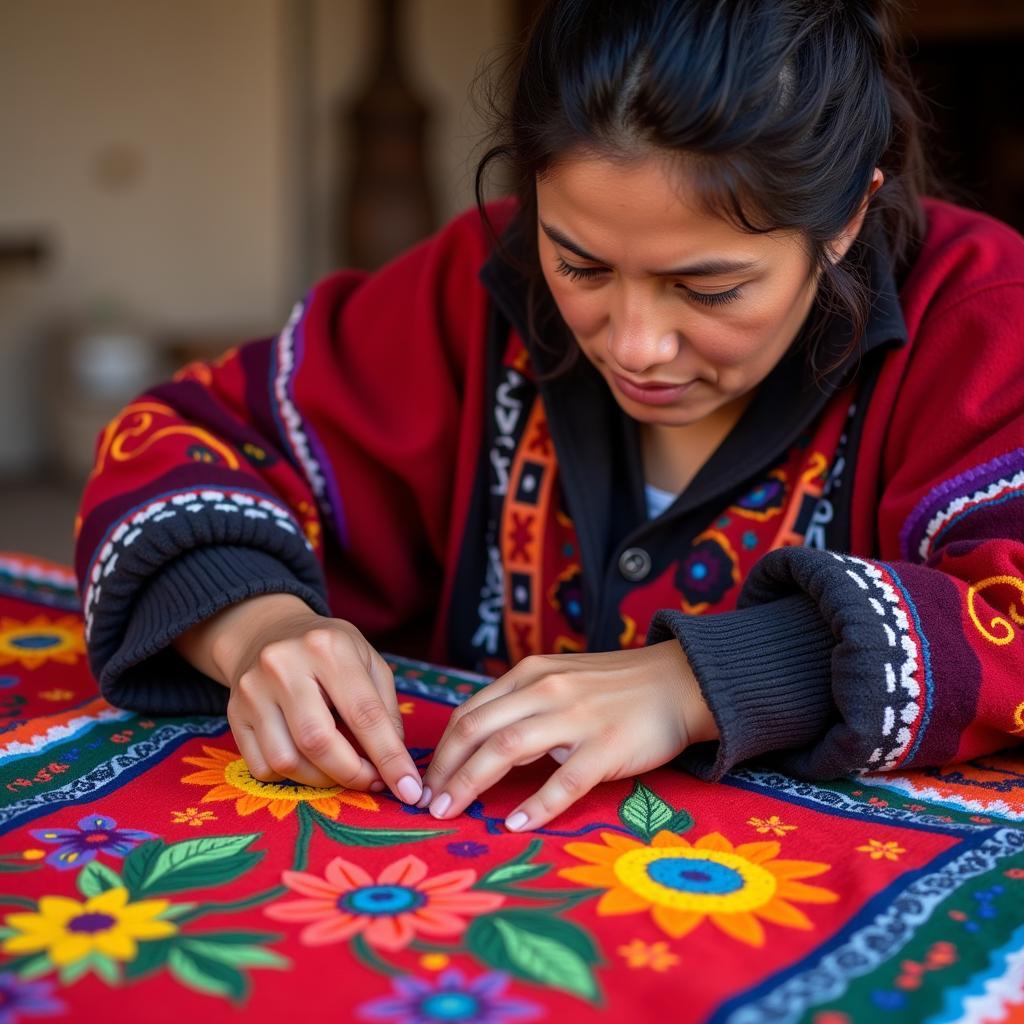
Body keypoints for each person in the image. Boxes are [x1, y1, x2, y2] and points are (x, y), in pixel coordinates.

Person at [75, 0, 1024, 835]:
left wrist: (697, 683)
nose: (637, 343)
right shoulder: (472, 292)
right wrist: (257, 629)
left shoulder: (981, 326)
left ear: (850, 218)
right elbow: (186, 440)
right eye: (581, 266)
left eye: (711, 288)